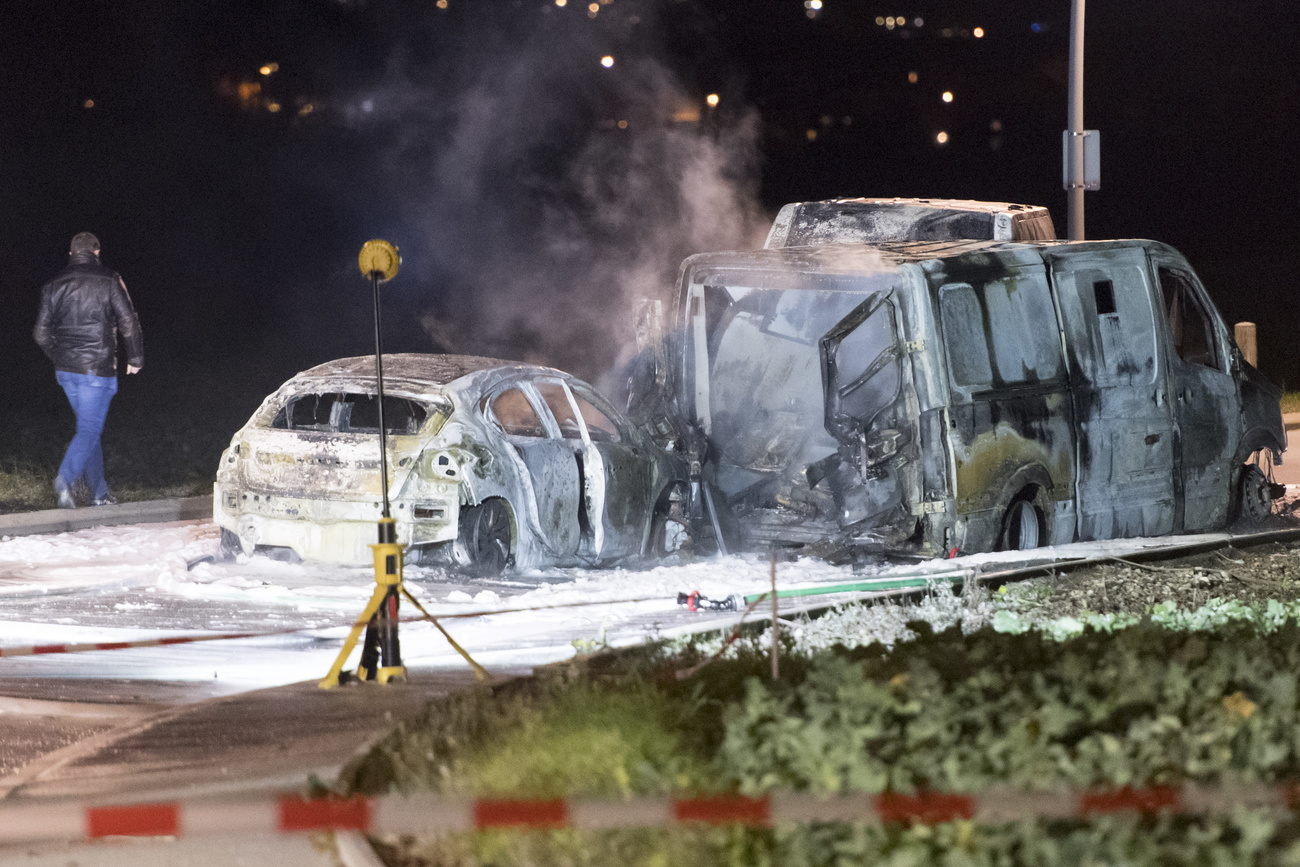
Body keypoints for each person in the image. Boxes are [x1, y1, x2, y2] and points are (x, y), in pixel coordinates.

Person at [33, 232, 143, 509]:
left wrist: (59, 356)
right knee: (90, 430)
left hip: (66, 372)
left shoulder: (53, 285)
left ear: (71, 255)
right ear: (97, 252)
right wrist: (136, 357)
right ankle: (65, 479)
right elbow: (128, 320)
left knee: (88, 429)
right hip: (97, 370)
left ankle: (99, 493)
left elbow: (40, 333)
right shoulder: (109, 279)